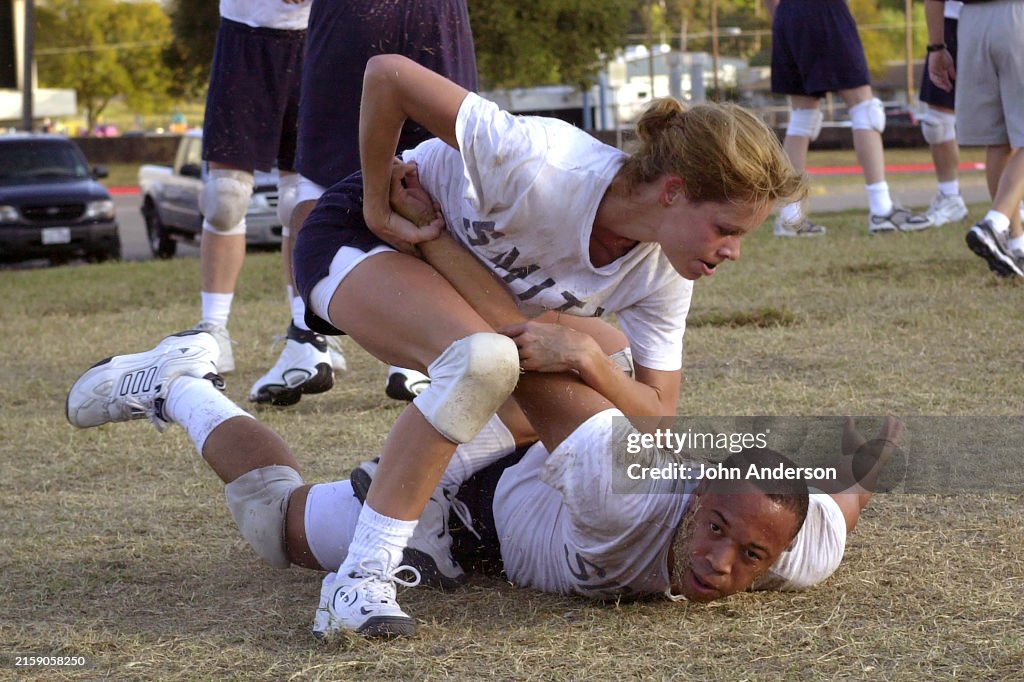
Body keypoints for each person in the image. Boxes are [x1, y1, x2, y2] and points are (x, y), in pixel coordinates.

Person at [64, 212, 901, 638]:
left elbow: (846, 494)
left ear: (782, 555)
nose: (721, 563)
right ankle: (177, 383)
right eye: (717, 530)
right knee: (274, 524)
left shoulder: (802, 544)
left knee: (588, 364)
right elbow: (522, 346)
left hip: (555, 461)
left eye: (751, 554)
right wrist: (435, 243)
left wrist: (874, 449)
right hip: (471, 496)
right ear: (690, 501)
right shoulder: (625, 495)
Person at [289, 53, 806, 636]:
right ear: (674, 192)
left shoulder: (663, 271)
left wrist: (585, 358)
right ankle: (361, 578)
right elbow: (386, 74)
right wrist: (379, 206)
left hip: (451, 270)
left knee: (601, 353)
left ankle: (435, 479)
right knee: (486, 362)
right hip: (372, 237)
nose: (733, 250)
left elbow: (658, 422)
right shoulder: (542, 162)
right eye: (727, 229)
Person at [280, 0, 479, 404]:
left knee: (430, 170)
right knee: (432, 169)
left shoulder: (634, 269)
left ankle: (312, 336)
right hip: (427, 15)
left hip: (366, 15)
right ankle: (326, 336)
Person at [197, 0, 346, 409]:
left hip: (318, 37)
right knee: (225, 196)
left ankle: (306, 328)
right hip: (245, 36)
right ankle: (213, 329)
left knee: (301, 197)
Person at [764, 0, 933, 236]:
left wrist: (786, 17)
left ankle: (790, 217)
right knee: (865, 107)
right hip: (824, 9)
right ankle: (881, 209)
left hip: (785, 14)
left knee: (802, 116)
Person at [926, 0, 1024, 278]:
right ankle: (996, 222)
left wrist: (936, 46)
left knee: (999, 141)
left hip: (971, 24)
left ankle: (1016, 246)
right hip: (1017, 14)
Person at [918, 1, 970, 227]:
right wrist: (936, 44)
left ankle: (1016, 197)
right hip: (949, 20)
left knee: (1011, 117)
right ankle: (950, 196)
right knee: (936, 123)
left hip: (1008, 17)